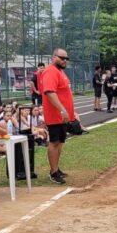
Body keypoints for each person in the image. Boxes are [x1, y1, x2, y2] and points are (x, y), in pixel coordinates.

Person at [41, 48, 79, 183]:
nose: (64, 61)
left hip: (63, 116)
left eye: (66, 58)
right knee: (54, 142)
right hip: (55, 115)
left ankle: (56, 168)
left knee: (60, 143)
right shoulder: (51, 71)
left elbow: (64, 93)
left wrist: (70, 111)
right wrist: (62, 110)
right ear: (53, 57)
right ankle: (53, 172)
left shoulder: (60, 72)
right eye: (61, 58)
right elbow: (50, 92)